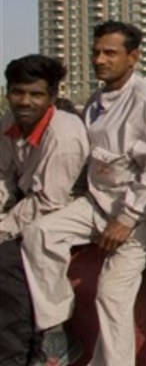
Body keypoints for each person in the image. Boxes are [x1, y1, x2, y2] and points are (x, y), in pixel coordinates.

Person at [22, 20, 146, 365]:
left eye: (110, 53)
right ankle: (56, 333)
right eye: (96, 52)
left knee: (111, 295)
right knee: (39, 235)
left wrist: (127, 218)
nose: (100, 60)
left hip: (139, 214)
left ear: (133, 57)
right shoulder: (96, 100)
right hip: (96, 204)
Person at [0, 55, 88, 365]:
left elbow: (50, 201)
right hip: (27, 204)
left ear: (51, 98)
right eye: (17, 92)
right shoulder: (9, 124)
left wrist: (2, 229)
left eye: (35, 94)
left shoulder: (64, 134)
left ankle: (28, 351)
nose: (24, 101)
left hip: (67, 207)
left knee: (8, 260)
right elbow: (3, 178)